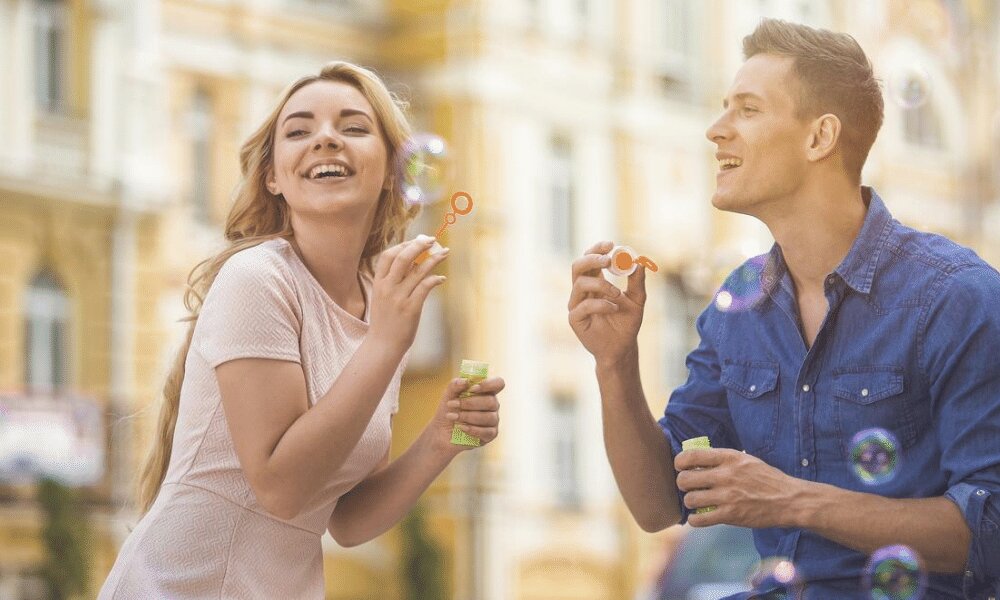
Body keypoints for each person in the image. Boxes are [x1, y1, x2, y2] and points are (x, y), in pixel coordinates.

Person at [568, 19, 999, 600]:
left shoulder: (955, 296)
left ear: (819, 137)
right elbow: (658, 503)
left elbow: (990, 531)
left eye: (747, 109)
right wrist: (615, 364)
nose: (716, 131)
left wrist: (789, 497)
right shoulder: (738, 309)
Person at [99, 61, 503, 598]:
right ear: (274, 175)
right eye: (299, 130)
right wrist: (385, 343)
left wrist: (440, 438)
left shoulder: (376, 304)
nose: (326, 139)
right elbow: (282, 489)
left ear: (392, 170)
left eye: (354, 127)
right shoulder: (258, 279)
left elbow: (346, 518)